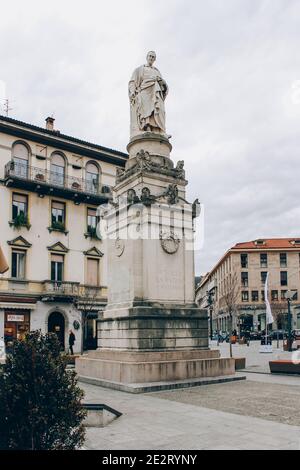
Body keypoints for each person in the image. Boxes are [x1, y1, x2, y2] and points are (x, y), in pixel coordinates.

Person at [129, 51, 169, 138]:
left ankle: (159, 130)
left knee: (159, 109)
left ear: (154, 59)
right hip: (145, 92)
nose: (151, 58)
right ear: (147, 57)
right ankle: (147, 127)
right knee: (146, 111)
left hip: (156, 92)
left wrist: (162, 83)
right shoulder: (140, 69)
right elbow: (132, 82)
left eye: (153, 57)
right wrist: (132, 92)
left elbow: (164, 85)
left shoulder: (157, 71)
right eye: (150, 56)